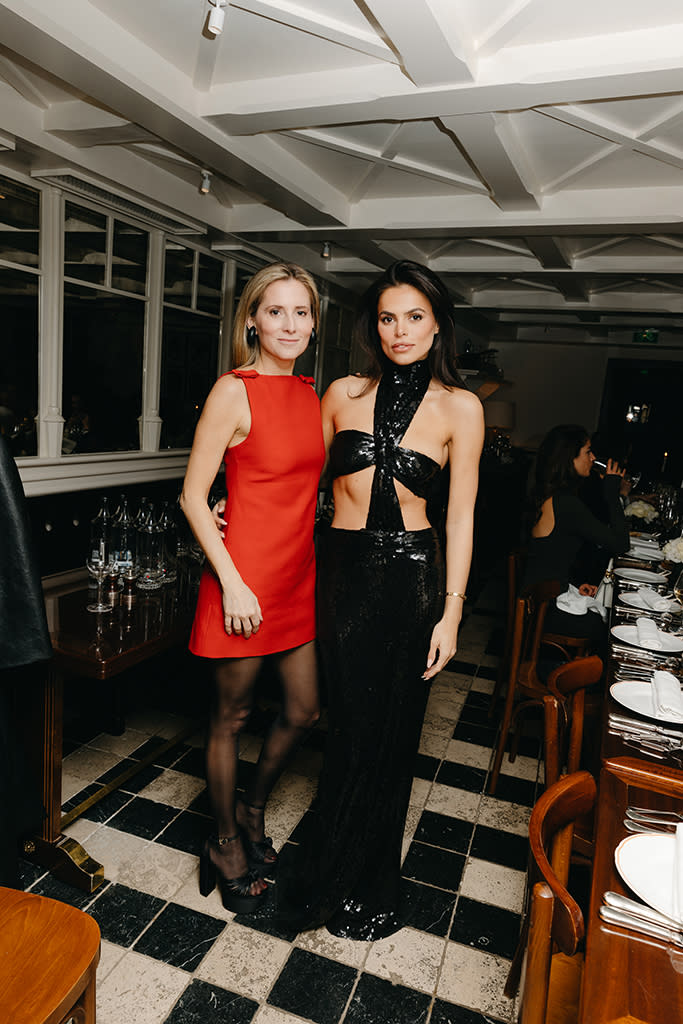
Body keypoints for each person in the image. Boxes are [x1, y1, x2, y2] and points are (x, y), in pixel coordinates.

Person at [277, 260, 484, 939]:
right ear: (374, 324)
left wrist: (452, 610)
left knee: (391, 738)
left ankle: (369, 883)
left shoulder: (461, 407)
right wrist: (229, 503)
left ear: (438, 323)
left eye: (414, 317)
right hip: (340, 576)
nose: (399, 331)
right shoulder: (339, 392)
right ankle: (332, 870)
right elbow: (293, 477)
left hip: (410, 582)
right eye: (388, 317)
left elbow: (460, 516)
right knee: (349, 733)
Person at [180, 263, 325, 913]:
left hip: (296, 576)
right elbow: (191, 494)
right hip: (242, 583)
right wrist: (232, 582)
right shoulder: (232, 390)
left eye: (300, 312)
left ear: (314, 324)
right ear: (252, 320)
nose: (289, 324)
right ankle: (225, 842)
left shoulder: (310, 394)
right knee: (230, 718)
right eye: (276, 312)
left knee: (303, 710)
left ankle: (253, 803)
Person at [522, 424, 629, 651]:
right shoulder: (565, 503)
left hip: (542, 601)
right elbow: (621, 544)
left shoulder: (551, 495)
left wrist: (575, 585)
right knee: (614, 628)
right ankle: (572, 681)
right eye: (588, 451)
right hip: (545, 610)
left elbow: (551, 556)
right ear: (570, 458)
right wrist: (613, 495)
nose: (593, 458)